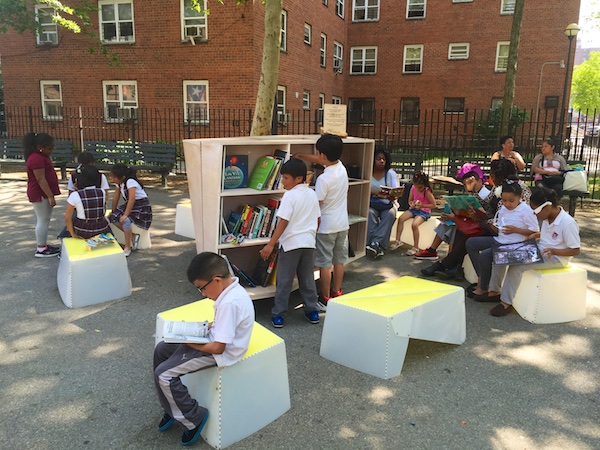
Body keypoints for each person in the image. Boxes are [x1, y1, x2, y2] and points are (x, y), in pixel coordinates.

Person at [154, 252, 255, 446]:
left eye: (202, 288)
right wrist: (201, 330)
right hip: (213, 340)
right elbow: (225, 325)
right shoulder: (230, 289)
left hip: (221, 353)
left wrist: (187, 340)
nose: (202, 294)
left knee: (164, 375)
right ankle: (171, 407)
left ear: (217, 280)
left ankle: (193, 417)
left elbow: (217, 348)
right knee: (161, 349)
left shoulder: (229, 302)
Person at [421, 158, 525, 280]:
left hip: (505, 232)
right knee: (463, 229)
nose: (491, 178)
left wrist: (483, 218)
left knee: (469, 236)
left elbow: (504, 216)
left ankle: (443, 265)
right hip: (492, 225)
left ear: (499, 175)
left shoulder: (512, 190)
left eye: (493, 175)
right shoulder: (500, 188)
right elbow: (488, 206)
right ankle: (454, 267)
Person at [489, 187, 580, 317]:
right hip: (540, 249)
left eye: (535, 210)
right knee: (502, 254)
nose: (534, 214)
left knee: (517, 266)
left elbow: (575, 250)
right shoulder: (547, 217)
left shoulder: (567, 223)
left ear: (547, 207)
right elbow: (548, 236)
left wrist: (554, 251)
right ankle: (494, 291)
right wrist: (537, 235)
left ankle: (506, 303)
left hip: (556, 257)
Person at [259, 158, 321, 328]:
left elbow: (283, 222)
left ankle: (279, 314)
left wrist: (271, 243)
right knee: (307, 278)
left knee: (284, 280)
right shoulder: (312, 194)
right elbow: (318, 219)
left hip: (291, 244)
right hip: (308, 243)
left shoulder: (289, 196)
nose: (283, 182)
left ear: (298, 179)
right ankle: (312, 310)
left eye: (286, 178)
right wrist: (311, 234)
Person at [294, 134, 348, 310]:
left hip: (327, 225)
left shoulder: (324, 179)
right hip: (342, 224)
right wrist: (301, 156)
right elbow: (320, 159)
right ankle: (337, 292)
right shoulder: (342, 168)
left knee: (325, 263)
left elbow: (317, 203)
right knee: (339, 260)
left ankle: (324, 298)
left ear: (323, 155)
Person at [465, 179, 539, 302]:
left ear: (520, 197)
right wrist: (494, 227)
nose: (507, 204)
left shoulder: (526, 211)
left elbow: (535, 231)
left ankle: (486, 288)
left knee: (486, 255)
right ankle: (482, 279)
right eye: (504, 200)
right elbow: (500, 226)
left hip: (513, 244)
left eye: (511, 201)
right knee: (471, 243)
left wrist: (516, 230)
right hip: (500, 239)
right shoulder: (503, 208)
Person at [414, 167, 491, 261]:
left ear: (478, 181)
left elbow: (484, 215)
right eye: (465, 184)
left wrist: (456, 217)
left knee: (455, 227)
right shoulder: (474, 194)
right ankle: (432, 251)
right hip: (470, 222)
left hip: (479, 227)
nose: (467, 187)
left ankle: (449, 259)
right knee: (446, 224)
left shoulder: (486, 195)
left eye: (469, 183)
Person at [24, 132, 61, 257]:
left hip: (43, 193)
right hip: (40, 193)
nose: (51, 150)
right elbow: (40, 179)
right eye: (49, 148)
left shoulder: (41, 156)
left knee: (45, 219)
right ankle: (41, 248)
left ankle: (43, 245)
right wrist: (50, 196)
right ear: (40, 147)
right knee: (43, 219)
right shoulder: (36, 158)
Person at [58, 151, 110, 238]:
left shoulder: (76, 188)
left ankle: (65, 237)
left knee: (71, 223)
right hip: (96, 211)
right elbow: (106, 196)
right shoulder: (102, 189)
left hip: (83, 223)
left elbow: (67, 217)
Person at [108, 164, 152, 256]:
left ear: (123, 177)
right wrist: (113, 211)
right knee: (112, 217)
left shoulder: (130, 182)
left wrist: (125, 215)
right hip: (131, 204)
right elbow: (116, 197)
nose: (113, 179)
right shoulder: (119, 183)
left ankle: (127, 247)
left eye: (114, 177)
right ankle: (132, 236)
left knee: (126, 220)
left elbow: (132, 199)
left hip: (141, 206)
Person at [389, 171, 436, 256]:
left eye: (420, 187)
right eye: (417, 187)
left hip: (424, 211)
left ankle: (415, 247)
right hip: (414, 209)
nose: (418, 189)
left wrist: (422, 205)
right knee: (401, 219)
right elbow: (410, 200)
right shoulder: (413, 188)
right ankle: (398, 240)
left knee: (414, 225)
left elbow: (433, 204)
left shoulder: (427, 191)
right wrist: (412, 203)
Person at [366, 148, 400, 259]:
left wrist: (393, 195)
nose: (381, 161)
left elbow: (396, 190)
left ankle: (374, 244)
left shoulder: (390, 173)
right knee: (370, 213)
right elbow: (362, 188)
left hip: (388, 203)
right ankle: (377, 246)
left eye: (383, 159)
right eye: (378, 159)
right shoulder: (367, 172)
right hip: (372, 203)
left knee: (390, 214)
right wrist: (374, 192)